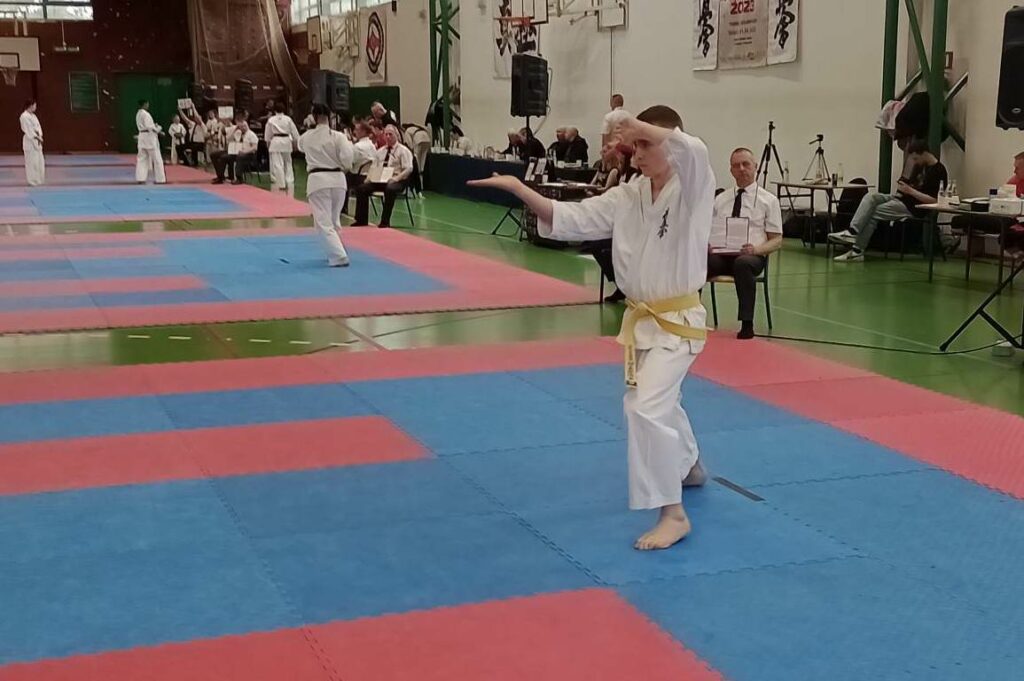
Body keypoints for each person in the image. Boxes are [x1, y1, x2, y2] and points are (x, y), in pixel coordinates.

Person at [469, 106, 715, 551]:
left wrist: (636, 126)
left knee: (644, 406)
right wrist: (519, 188)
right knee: (665, 400)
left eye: (646, 144)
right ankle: (690, 464)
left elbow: (693, 149)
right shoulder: (628, 196)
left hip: (678, 323)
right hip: (642, 321)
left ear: (668, 141)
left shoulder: (693, 187)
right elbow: (571, 217)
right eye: (634, 146)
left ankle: (673, 514)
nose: (637, 154)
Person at [830, 139, 947, 261]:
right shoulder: (920, 166)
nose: (915, 161)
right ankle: (852, 231)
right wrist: (903, 186)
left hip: (914, 207)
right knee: (871, 197)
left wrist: (910, 191)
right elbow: (908, 183)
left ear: (924, 153)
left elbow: (935, 200)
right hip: (902, 199)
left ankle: (857, 251)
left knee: (873, 212)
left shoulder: (939, 171)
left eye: (916, 158)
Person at [708, 148, 784, 339]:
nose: (741, 169)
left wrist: (756, 249)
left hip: (752, 256)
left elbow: (777, 240)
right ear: (731, 170)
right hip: (723, 255)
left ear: (755, 167)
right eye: (736, 165)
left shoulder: (769, 200)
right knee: (700, 261)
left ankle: (747, 324)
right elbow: (711, 229)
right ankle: (690, 317)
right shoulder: (721, 199)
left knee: (743, 263)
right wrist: (708, 244)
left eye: (746, 164)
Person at [298, 104, 356, 268]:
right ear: (330, 117)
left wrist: (309, 127)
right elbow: (348, 159)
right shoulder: (339, 136)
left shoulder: (307, 136)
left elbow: (300, 147)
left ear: (313, 117)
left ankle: (339, 255)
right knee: (334, 219)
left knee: (323, 222)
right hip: (338, 179)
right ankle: (334, 250)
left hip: (318, 180)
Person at [586, 143, 637, 303]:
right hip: (617, 220)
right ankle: (618, 281)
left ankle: (626, 282)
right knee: (595, 245)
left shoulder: (632, 175)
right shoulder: (619, 172)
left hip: (629, 226)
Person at [353, 125, 414, 228]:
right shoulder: (380, 151)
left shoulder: (403, 151)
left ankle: (385, 221)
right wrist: (369, 178)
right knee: (361, 188)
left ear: (397, 135)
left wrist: (396, 178)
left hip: (397, 179)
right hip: (380, 179)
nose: (388, 137)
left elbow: (408, 169)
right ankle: (361, 220)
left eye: (391, 134)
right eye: (386, 134)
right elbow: (373, 167)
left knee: (390, 189)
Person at [264, 102, 301, 194]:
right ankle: (290, 181)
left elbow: (268, 134)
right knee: (288, 162)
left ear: (274, 110)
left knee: (277, 164)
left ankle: (281, 184)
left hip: (275, 141)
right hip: (286, 140)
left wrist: (268, 142)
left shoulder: (271, 120)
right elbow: (295, 132)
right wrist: (296, 142)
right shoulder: (288, 119)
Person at [211, 115, 259, 185]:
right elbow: (228, 138)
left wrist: (245, 151)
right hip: (235, 151)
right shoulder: (238, 133)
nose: (243, 128)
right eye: (241, 126)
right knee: (221, 157)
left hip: (248, 154)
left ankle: (239, 178)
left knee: (240, 157)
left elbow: (254, 147)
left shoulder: (251, 135)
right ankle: (220, 177)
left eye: (245, 126)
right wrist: (234, 130)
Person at [344, 120, 378, 215]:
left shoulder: (357, 147)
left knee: (342, 179)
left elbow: (350, 162)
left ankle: (342, 207)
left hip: (358, 176)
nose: (354, 131)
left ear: (363, 132)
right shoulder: (372, 145)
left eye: (356, 129)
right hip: (370, 175)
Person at [135, 99, 166, 185]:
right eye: (147, 104)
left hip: (142, 136)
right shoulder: (146, 114)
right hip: (149, 137)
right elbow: (150, 127)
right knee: (157, 159)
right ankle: (160, 179)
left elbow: (147, 126)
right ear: (145, 104)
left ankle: (140, 178)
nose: (148, 105)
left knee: (142, 159)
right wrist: (159, 129)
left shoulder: (138, 114)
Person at [19, 100, 45, 187]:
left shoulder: (34, 116)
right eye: (34, 105)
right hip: (30, 141)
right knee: (31, 162)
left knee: (39, 162)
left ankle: (39, 179)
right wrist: (36, 136)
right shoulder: (24, 116)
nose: (35, 107)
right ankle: (32, 181)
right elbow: (28, 129)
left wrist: (40, 135)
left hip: (37, 142)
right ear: (30, 106)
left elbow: (38, 127)